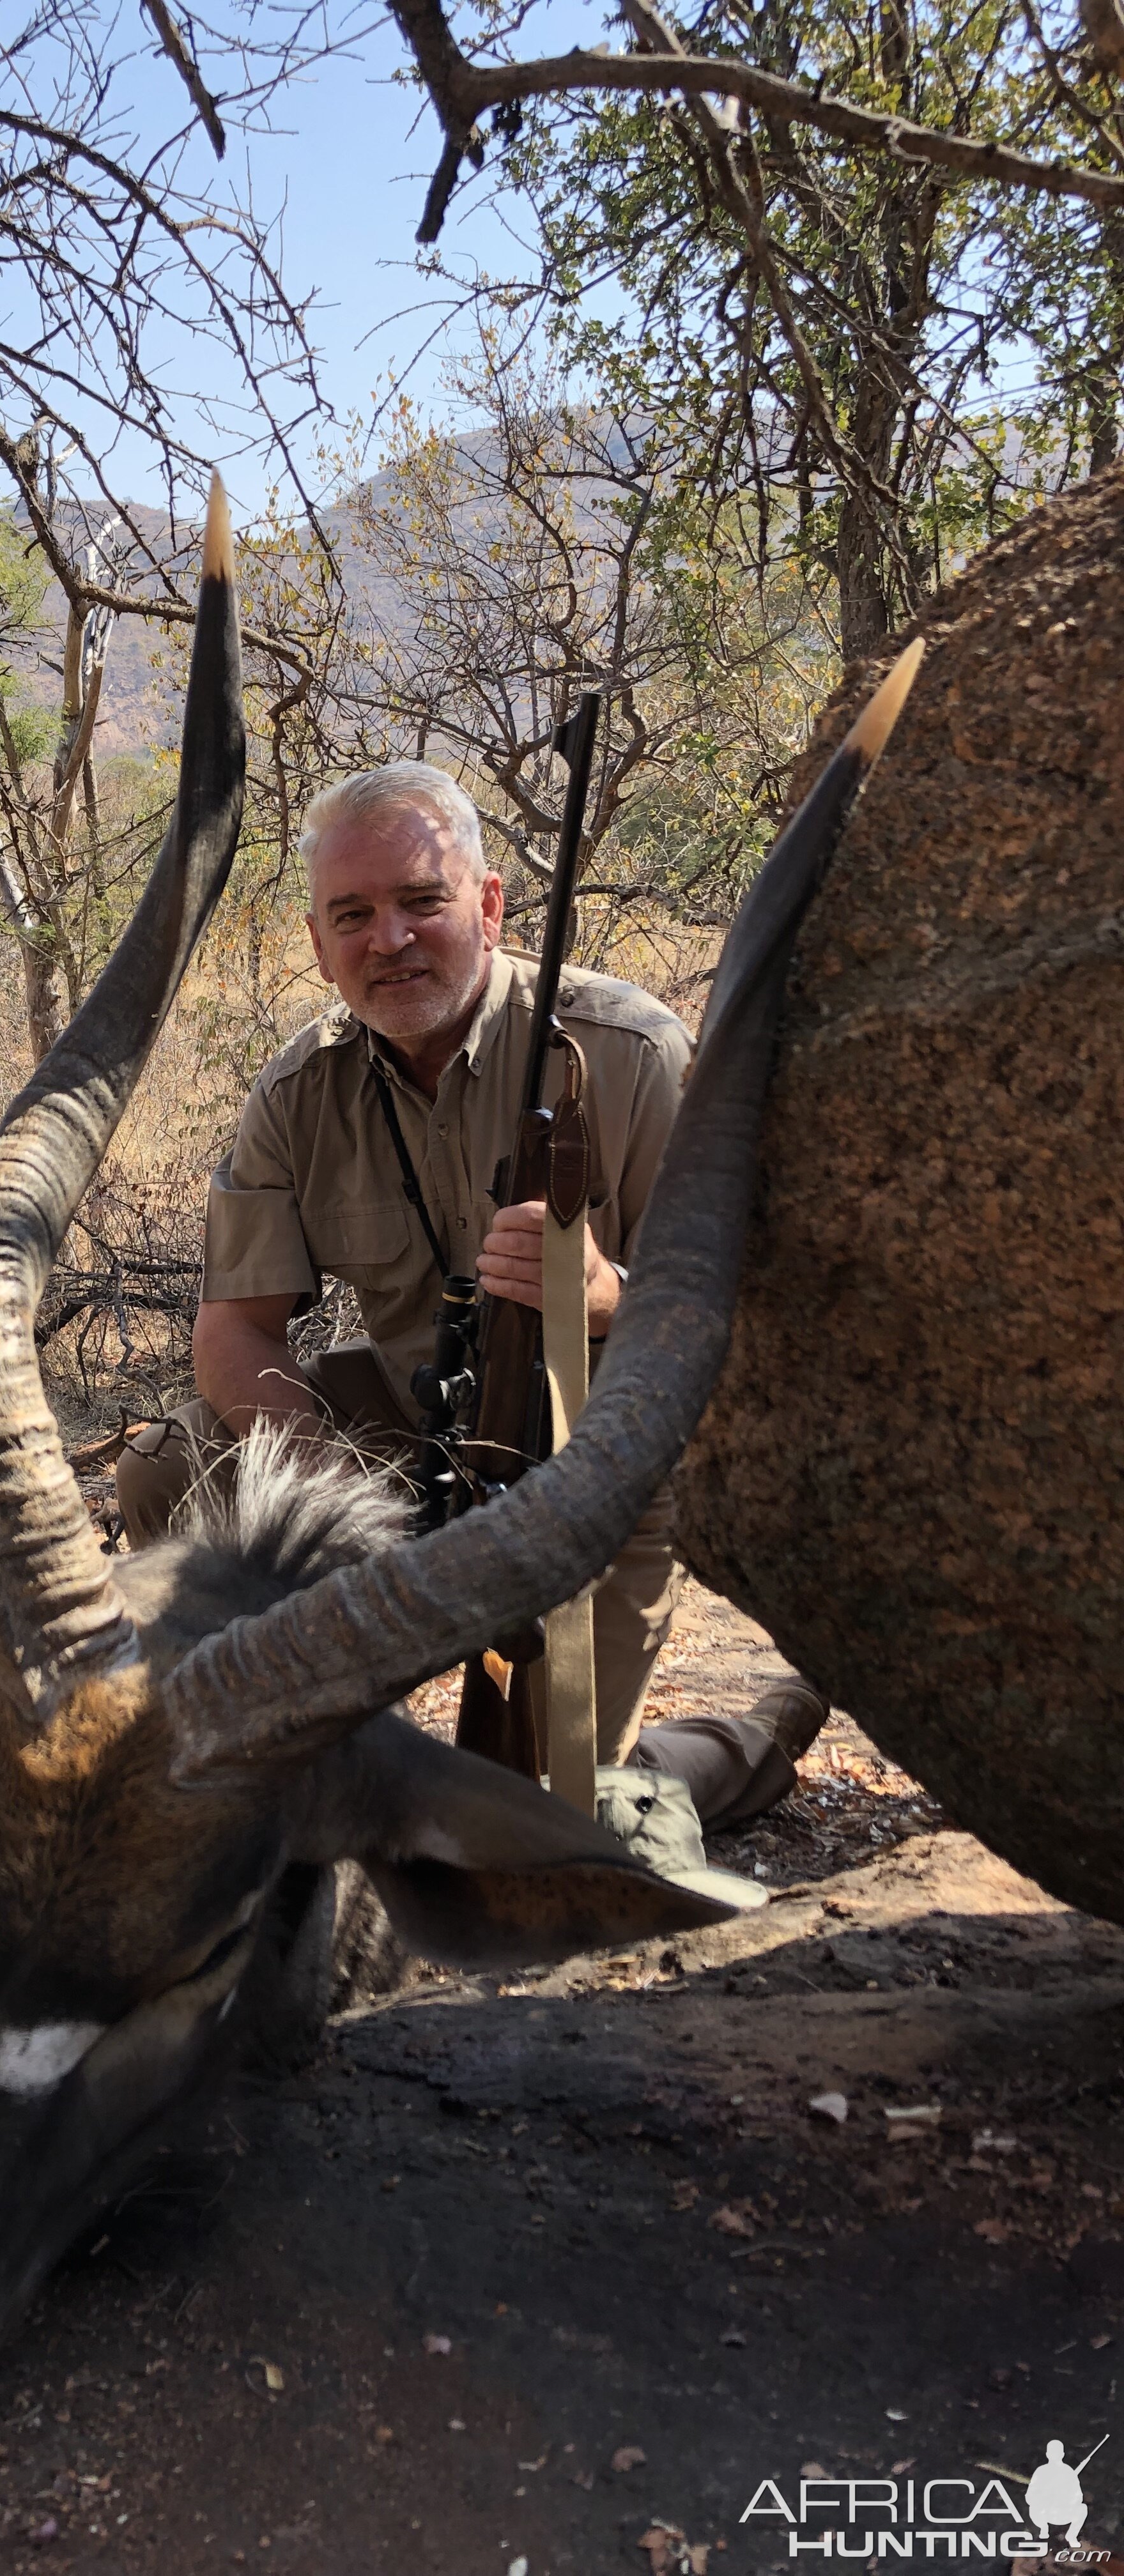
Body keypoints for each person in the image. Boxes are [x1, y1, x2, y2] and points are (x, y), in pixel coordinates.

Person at [116, 760, 826, 1829]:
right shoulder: (298, 1088)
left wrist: (604, 1295)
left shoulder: (632, 1053)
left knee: (541, 1817)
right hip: (418, 1442)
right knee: (171, 1464)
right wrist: (321, 1495)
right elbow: (236, 1330)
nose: (387, 940)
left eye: (421, 902)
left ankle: (748, 1741)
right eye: (351, 915)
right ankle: (252, 1761)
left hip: (605, 1464)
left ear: (489, 906)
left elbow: (756, 1318)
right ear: (318, 944)